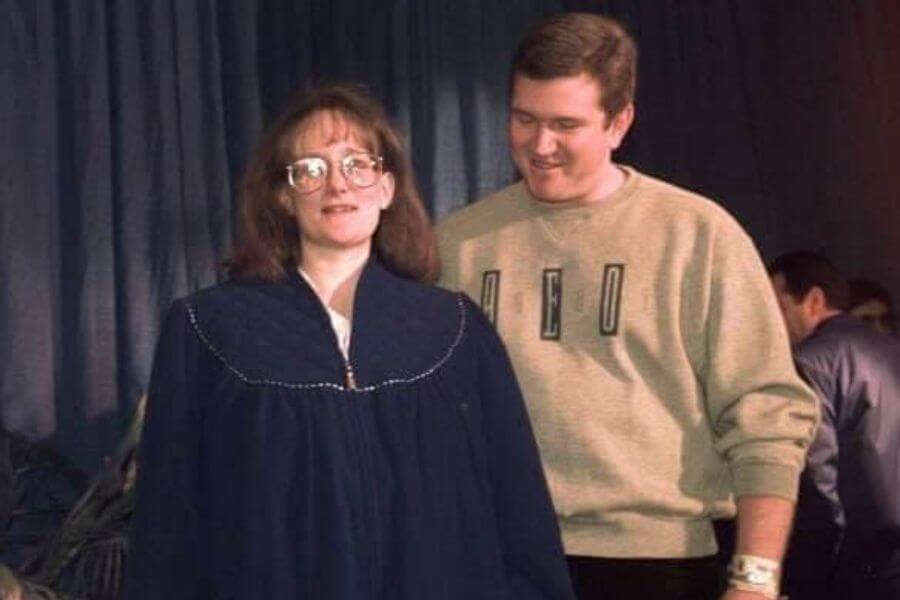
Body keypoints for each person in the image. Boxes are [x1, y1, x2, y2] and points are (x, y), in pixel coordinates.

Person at [124, 83, 575, 600]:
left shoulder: (454, 329)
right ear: (284, 196)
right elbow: (165, 527)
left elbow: (519, 510)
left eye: (357, 164)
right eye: (311, 170)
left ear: (387, 188)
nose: (337, 185)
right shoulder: (208, 330)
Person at [436, 13, 819, 600]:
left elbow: (767, 415)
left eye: (566, 124)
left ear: (620, 122)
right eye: (524, 119)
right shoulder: (455, 243)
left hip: (656, 564)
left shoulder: (699, 235)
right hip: (492, 554)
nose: (540, 146)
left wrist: (757, 578)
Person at [769, 252, 900, 599]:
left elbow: (818, 486)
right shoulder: (890, 349)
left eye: (778, 308)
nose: (772, 323)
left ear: (813, 300)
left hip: (854, 566)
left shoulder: (808, 363)